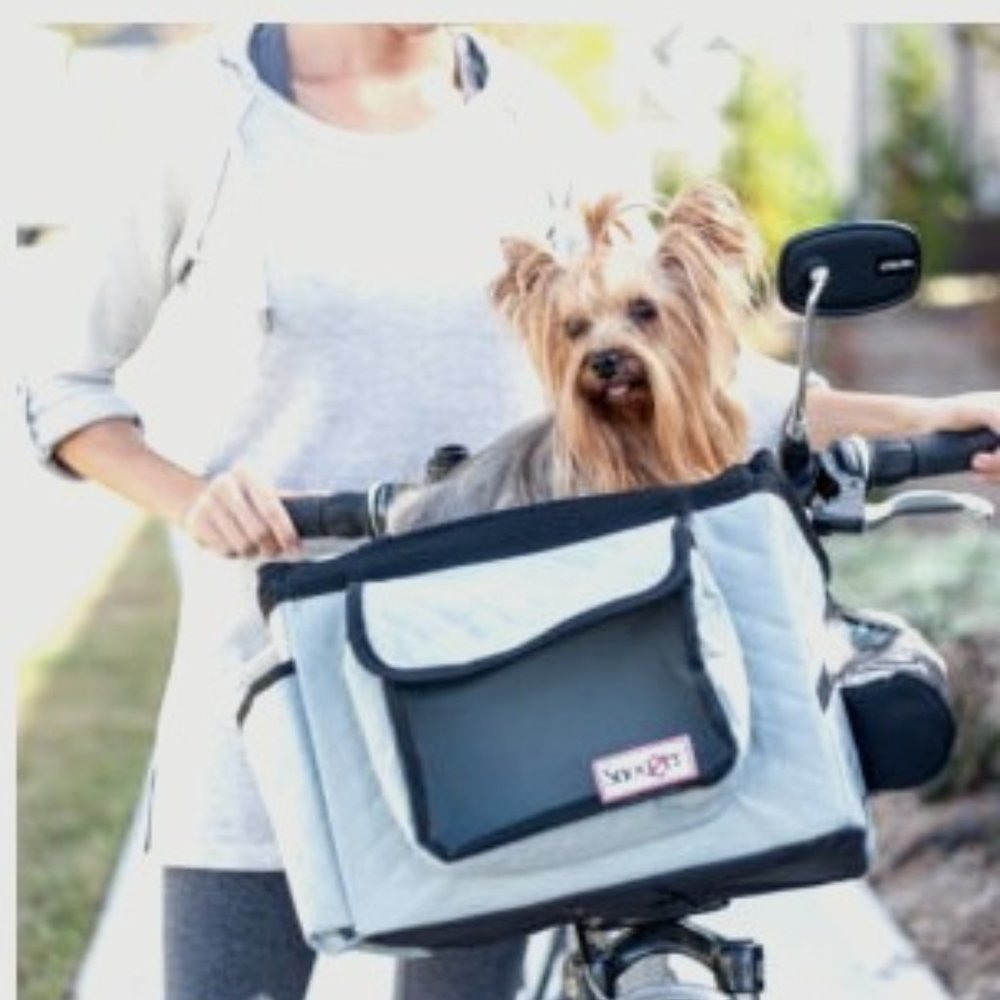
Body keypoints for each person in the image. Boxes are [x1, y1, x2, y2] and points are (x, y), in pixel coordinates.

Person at [21, 21, 1000, 1000]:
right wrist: (195, 500)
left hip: (500, 694)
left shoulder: (532, 119)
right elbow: (61, 388)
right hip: (274, 685)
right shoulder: (205, 114)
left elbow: (699, 369)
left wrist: (925, 415)